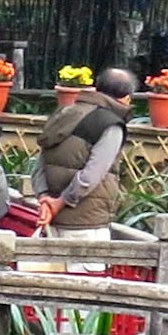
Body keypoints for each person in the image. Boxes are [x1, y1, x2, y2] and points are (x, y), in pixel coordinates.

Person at [34, 67, 138, 230]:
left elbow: (40, 163)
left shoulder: (64, 113)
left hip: (49, 217)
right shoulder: (110, 125)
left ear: (97, 88)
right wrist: (60, 202)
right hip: (86, 223)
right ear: (127, 98)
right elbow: (91, 175)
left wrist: (45, 199)